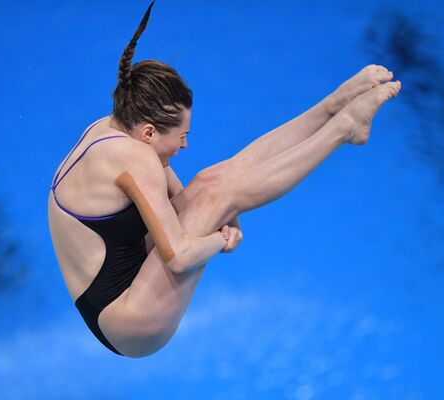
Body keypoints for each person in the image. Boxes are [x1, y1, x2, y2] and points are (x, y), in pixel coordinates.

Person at [47, 1, 401, 358]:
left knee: (211, 180)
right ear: (150, 132)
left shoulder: (114, 126)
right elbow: (181, 257)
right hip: (129, 324)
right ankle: (343, 129)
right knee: (219, 195)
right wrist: (221, 238)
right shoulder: (134, 158)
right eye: (181, 136)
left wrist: (212, 212)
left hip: (124, 288)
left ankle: (333, 105)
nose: (185, 144)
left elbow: (190, 197)